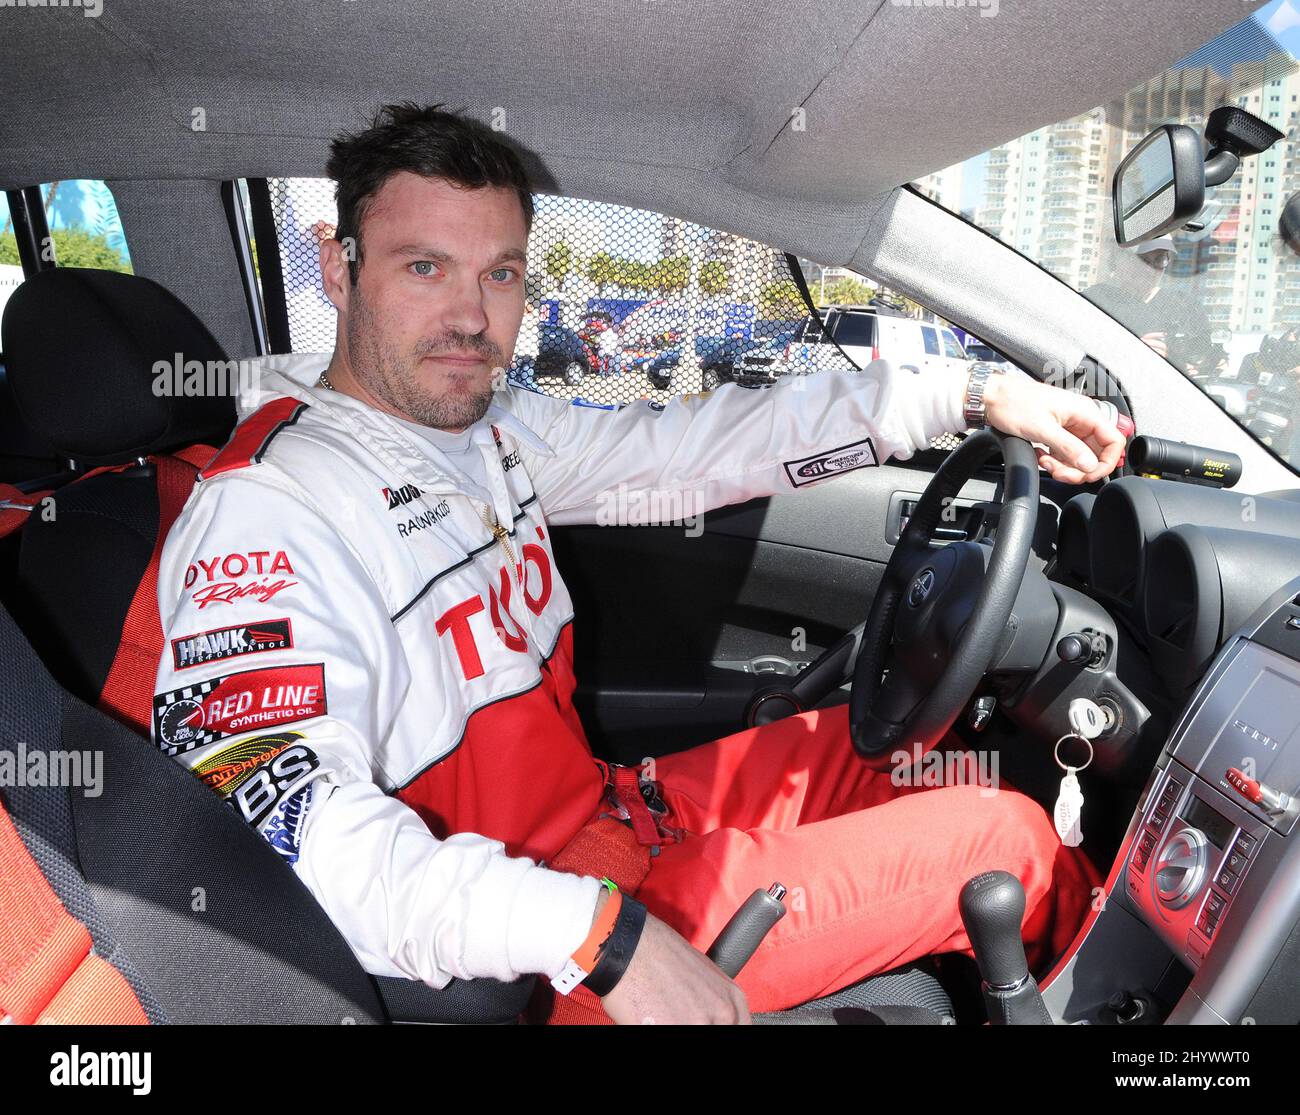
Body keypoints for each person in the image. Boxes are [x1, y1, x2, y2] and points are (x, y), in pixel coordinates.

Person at [151, 104, 1125, 1025]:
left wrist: (964, 392)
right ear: (337, 265)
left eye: (498, 274)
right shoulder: (267, 511)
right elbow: (275, 822)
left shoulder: (483, 430)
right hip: (528, 956)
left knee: (908, 745)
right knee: (1007, 846)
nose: (469, 319)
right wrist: (594, 933)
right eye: (423, 267)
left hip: (614, 820)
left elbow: (692, 450)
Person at [1084, 236, 1223, 377]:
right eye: (1143, 260)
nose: (1150, 269)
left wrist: (1202, 365)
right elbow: (1074, 355)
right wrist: (1131, 353)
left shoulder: (1186, 305)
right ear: (1119, 260)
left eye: (1159, 260)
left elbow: (1209, 354)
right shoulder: (1094, 300)